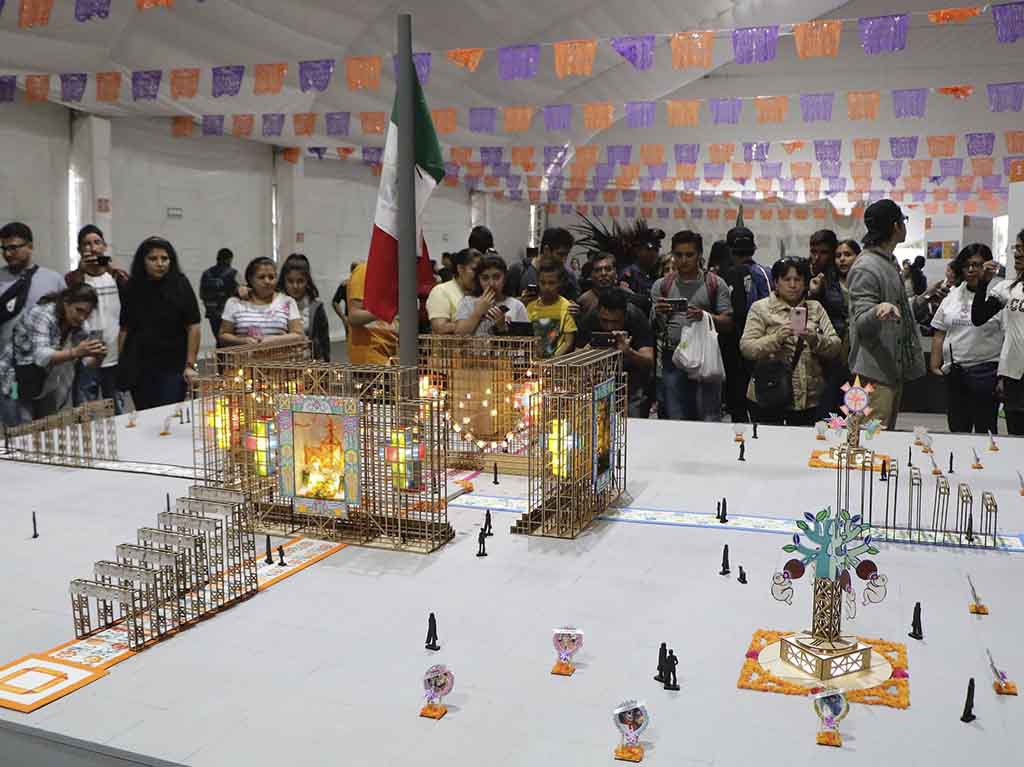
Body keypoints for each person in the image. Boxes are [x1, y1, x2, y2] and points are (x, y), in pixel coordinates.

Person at [848, 200, 945, 430]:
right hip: (873, 374)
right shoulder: (867, 267)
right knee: (870, 442)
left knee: (883, 440)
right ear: (895, 226)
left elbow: (895, 312)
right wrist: (876, 311)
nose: (904, 224)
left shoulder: (888, 262)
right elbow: (861, 322)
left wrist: (923, 299)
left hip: (889, 371)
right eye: (903, 220)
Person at [740, 257, 840, 425]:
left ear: (805, 283)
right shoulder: (761, 308)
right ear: (776, 283)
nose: (793, 285)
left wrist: (815, 339)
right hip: (770, 394)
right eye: (787, 280)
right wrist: (777, 338)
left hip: (810, 398)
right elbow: (747, 348)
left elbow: (835, 346)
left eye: (798, 280)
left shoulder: (815, 308)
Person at [651, 231, 732, 422]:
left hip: (706, 357)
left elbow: (728, 323)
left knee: (709, 418)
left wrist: (704, 316)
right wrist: (659, 313)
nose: (683, 260)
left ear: (700, 255)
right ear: (672, 254)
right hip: (673, 356)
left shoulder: (714, 283)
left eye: (689, 255)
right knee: (676, 418)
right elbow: (652, 327)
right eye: (678, 255)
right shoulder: (661, 285)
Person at [118, 237, 201, 410]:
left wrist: (190, 364)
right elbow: (125, 328)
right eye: (153, 259)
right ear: (143, 262)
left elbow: (193, 326)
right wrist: (123, 362)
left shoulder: (180, 284)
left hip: (173, 364)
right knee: (145, 414)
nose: (160, 263)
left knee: (168, 412)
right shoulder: (133, 286)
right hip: (139, 364)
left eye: (165, 258)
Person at [930, 244, 1003, 434]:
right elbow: (939, 331)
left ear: (988, 267)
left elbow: (1007, 337)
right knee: (957, 430)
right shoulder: (952, 296)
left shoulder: (998, 295)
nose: (972, 270)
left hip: (987, 373)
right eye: (967, 265)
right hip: (956, 373)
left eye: (977, 265)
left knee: (985, 433)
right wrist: (935, 365)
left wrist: (1002, 377)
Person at [0, 222, 65, 426]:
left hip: (46, 370)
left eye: (14, 247)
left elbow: (66, 320)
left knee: (49, 428)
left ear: (30, 246)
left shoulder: (53, 279)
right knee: (17, 431)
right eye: (4, 248)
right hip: (9, 372)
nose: (8, 254)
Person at [13, 283, 103, 421]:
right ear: (66, 302)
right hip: (13, 382)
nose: (82, 318)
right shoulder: (42, 314)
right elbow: (41, 356)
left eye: (87, 313)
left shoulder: (81, 327)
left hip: (44, 384)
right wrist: (75, 352)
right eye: (79, 310)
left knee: (48, 429)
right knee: (22, 432)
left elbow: (84, 364)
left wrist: (98, 357)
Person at [64, 225, 127, 412]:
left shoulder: (116, 277)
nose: (92, 248)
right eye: (86, 244)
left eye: (97, 242)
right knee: (84, 414)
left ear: (105, 246)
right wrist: (80, 271)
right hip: (85, 357)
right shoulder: (73, 278)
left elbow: (135, 299)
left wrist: (113, 269)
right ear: (79, 250)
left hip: (115, 356)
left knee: (118, 412)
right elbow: (67, 301)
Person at [972, 229, 1024, 435]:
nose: (1018, 254)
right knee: (1016, 438)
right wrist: (983, 283)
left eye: (1022, 249)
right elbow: (979, 317)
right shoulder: (1008, 288)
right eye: (1016, 249)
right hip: (1015, 376)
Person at [576, 288, 654, 417]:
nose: (609, 327)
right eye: (604, 321)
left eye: (615, 322)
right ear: (598, 312)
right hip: (599, 382)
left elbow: (649, 361)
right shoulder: (590, 319)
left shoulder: (636, 317)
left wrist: (629, 352)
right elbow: (576, 357)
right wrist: (586, 354)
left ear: (625, 314)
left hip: (632, 383)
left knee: (633, 426)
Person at [722, 226, 771, 423]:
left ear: (730, 250)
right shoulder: (765, 273)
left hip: (737, 347)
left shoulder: (731, 274)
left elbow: (736, 313)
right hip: (764, 344)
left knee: (739, 405)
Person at [807, 230, 849, 419]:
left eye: (823, 252)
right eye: (813, 251)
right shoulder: (805, 272)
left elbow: (842, 308)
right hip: (812, 345)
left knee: (837, 403)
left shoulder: (839, 276)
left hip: (838, 345)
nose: (817, 257)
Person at [218, 257, 304, 347]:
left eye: (271, 277)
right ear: (250, 279)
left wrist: (271, 340)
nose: (267, 281)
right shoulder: (235, 303)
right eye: (261, 277)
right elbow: (223, 337)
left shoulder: (287, 302)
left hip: (281, 360)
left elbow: (298, 336)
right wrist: (243, 341)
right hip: (244, 360)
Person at [454, 254, 528, 336]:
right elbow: (459, 335)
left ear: (504, 278)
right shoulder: (468, 302)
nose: (491, 283)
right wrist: (478, 312)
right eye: (485, 278)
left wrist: (502, 328)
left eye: (496, 277)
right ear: (478, 280)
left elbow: (524, 343)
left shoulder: (517, 306)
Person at [509, 229, 579, 304]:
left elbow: (574, 304)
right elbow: (504, 302)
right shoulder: (519, 270)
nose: (564, 260)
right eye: (560, 254)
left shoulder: (568, 276)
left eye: (567, 254)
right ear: (546, 250)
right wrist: (520, 302)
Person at [278, 261, 330, 360]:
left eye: (300, 281)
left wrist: (326, 368)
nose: (295, 286)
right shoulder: (275, 303)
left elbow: (324, 342)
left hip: (310, 363)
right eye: (290, 281)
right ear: (284, 281)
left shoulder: (316, 307)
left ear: (307, 282)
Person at [347, 261, 396, 364]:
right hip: (370, 358)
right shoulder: (365, 271)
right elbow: (353, 316)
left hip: (391, 355)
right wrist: (385, 311)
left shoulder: (396, 275)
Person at [526, 259, 576, 358]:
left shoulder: (566, 307)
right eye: (543, 283)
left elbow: (568, 342)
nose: (547, 287)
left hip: (556, 363)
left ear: (560, 283)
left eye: (551, 283)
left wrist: (553, 360)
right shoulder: (530, 307)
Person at [426, 248, 481, 334]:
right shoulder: (441, 291)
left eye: (481, 271)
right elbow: (440, 328)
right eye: (474, 270)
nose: (479, 275)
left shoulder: (480, 292)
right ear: (460, 269)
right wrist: (474, 320)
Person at [199, 248, 239, 342]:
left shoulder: (206, 273)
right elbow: (243, 292)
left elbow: (201, 294)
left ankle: (219, 356)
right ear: (229, 259)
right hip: (229, 313)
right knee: (229, 340)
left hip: (212, 312)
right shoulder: (233, 273)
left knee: (218, 338)